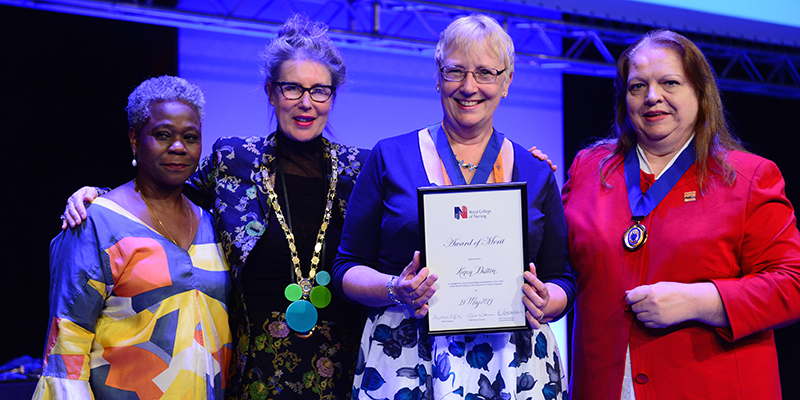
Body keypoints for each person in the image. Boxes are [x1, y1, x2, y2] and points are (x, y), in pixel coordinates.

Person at [61, 15, 370, 399]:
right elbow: (166, 189)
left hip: (341, 366)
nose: (306, 103)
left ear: (333, 97)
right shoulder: (234, 158)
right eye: (292, 88)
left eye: (320, 90)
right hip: (252, 370)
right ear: (271, 92)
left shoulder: (362, 169)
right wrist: (100, 195)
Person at [332, 14, 575, 400]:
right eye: (455, 71)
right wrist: (396, 288)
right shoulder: (389, 156)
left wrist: (548, 301)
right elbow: (345, 268)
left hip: (513, 363)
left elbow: (562, 278)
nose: (469, 87)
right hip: (406, 357)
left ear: (507, 81)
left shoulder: (535, 172)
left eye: (485, 73)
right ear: (437, 76)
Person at [562, 29, 800, 399]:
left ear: (701, 94)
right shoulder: (588, 170)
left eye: (670, 82)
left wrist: (700, 301)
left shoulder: (748, 177)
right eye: (638, 86)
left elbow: (792, 284)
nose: (652, 96)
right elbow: (558, 266)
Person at [34, 76, 232, 399]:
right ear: (134, 140)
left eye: (190, 137)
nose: (179, 146)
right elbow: (66, 348)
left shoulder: (212, 225)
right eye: (163, 134)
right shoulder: (96, 222)